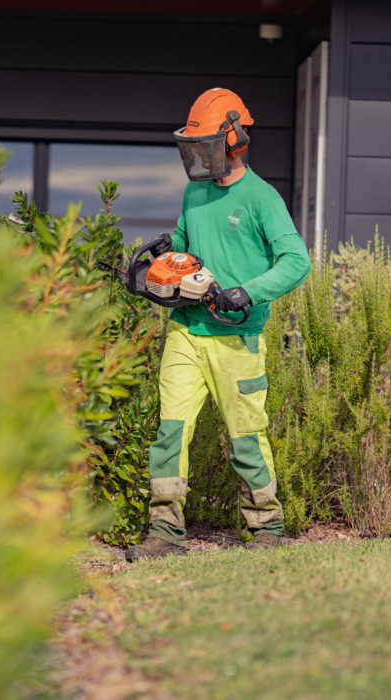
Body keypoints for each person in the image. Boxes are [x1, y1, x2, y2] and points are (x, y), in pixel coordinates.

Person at [125, 87, 311, 561]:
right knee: (171, 431)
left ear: (233, 139)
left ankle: (267, 526)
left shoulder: (260, 197)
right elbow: (184, 252)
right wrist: (161, 271)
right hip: (187, 331)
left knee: (246, 435)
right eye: (191, 145)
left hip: (237, 337)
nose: (196, 155)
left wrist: (247, 292)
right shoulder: (194, 191)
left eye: (203, 144)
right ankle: (165, 532)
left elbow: (296, 262)